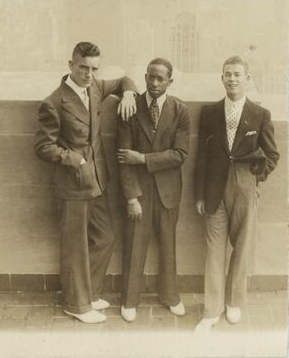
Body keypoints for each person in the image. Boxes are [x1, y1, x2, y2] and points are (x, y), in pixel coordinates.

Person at [34, 41, 138, 324]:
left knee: (106, 236)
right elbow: (43, 147)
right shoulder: (54, 102)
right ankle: (76, 304)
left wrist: (128, 93)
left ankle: (87, 292)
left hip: (98, 180)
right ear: (71, 65)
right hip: (73, 183)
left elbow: (125, 80)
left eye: (94, 68)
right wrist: (75, 159)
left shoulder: (95, 88)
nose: (89, 73)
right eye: (83, 67)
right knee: (75, 246)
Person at [194, 56, 279, 332]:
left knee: (242, 247)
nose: (232, 79)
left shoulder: (260, 114)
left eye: (237, 75)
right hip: (214, 188)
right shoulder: (209, 112)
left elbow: (272, 154)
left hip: (245, 186)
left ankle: (234, 303)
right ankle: (211, 309)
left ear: (247, 79)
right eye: (227, 74)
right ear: (221, 79)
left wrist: (255, 178)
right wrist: (199, 195)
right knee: (214, 249)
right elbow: (201, 157)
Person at [117, 58, 190, 322]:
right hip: (139, 192)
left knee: (168, 245)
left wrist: (144, 159)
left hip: (168, 191)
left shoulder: (180, 110)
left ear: (170, 81)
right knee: (135, 243)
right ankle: (129, 299)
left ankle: (170, 296)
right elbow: (123, 158)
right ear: (145, 77)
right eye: (151, 77)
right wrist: (131, 197)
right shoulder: (130, 107)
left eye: (161, 79)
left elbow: (180, 154)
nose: (155, 83)